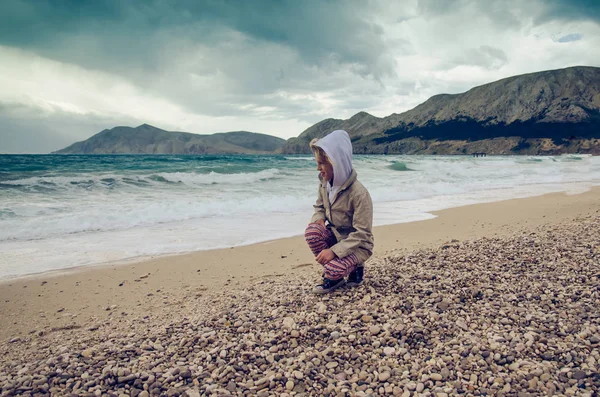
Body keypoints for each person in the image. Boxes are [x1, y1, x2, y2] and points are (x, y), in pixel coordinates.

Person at [304, 129, 374, 294]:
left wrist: (333, 252)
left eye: (321, 163)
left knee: (333, 269)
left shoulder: (359, 194)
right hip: (336, 236)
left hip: (359, 245)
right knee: (312, 232)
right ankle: (336, 274)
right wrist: (319, 218)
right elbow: (319, 206)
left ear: (336, 162)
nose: (318, 168)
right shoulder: (325, 183)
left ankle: (352, 269)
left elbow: (362, 233)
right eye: (317, 163)